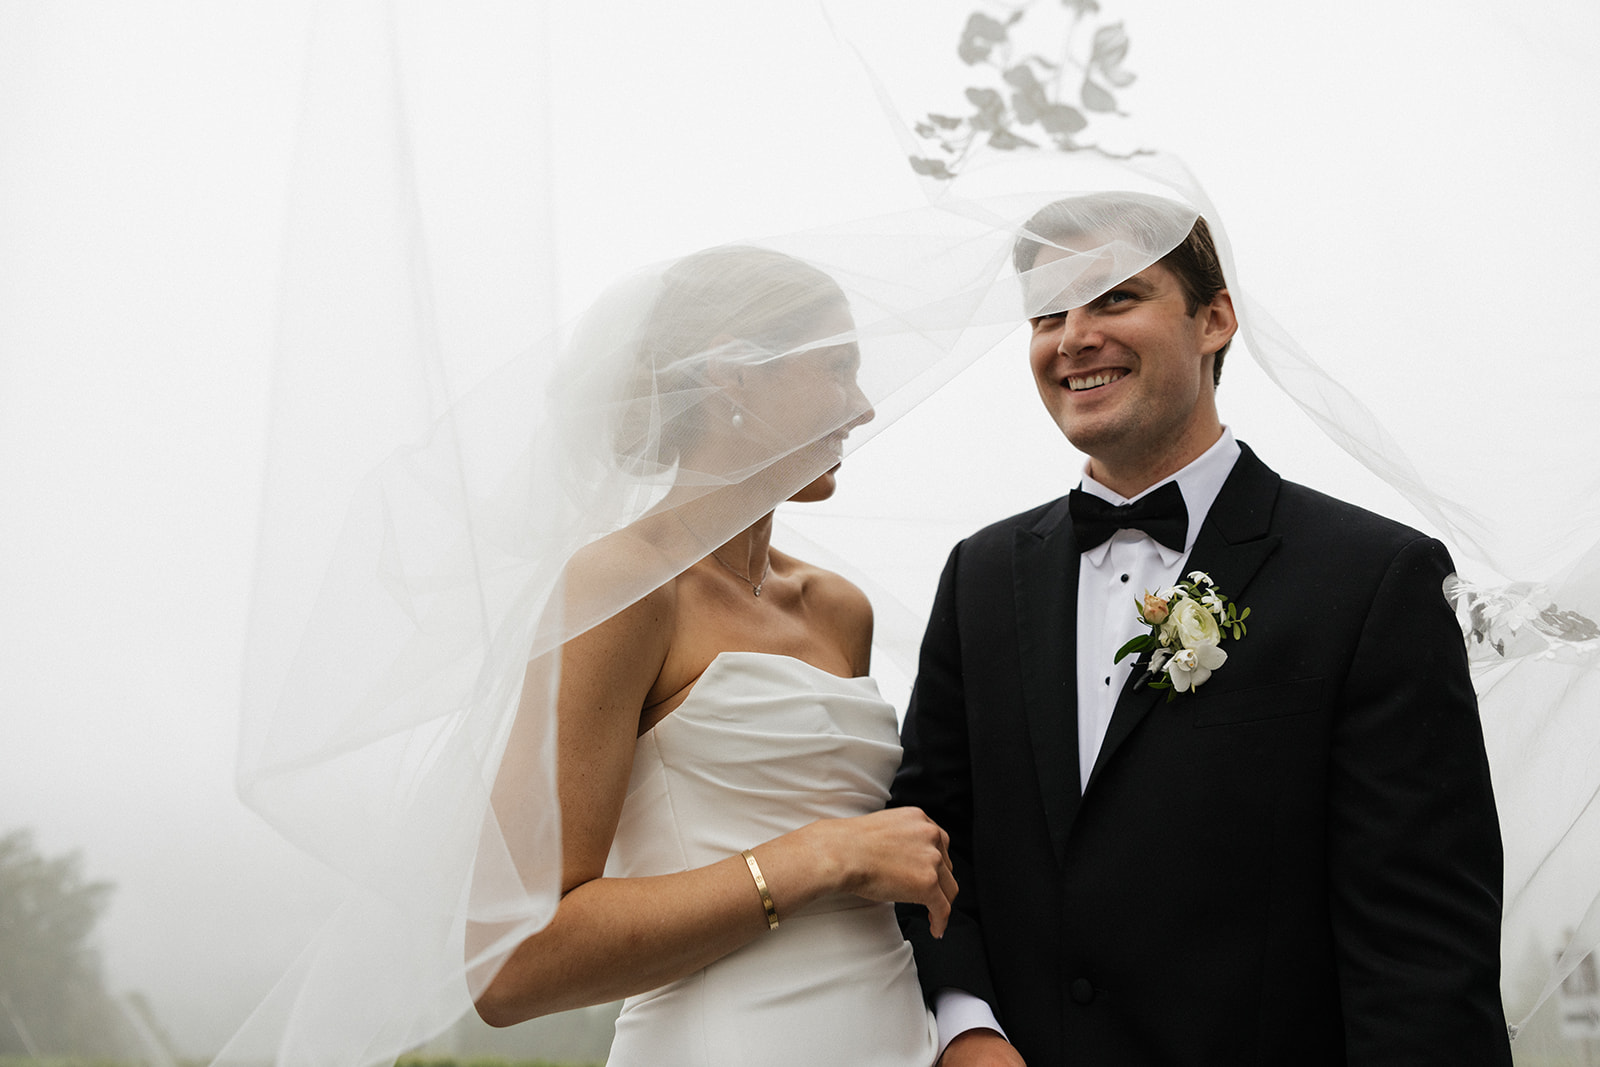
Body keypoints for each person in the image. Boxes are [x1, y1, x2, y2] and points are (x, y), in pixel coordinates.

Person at [891, 192, 1514, 1065]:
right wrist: (965, 1025)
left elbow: (1422, 957)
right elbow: (927, 838)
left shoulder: (1375, 580)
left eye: (1114, 298)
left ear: (1214, 319)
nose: (1073, 335)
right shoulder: (982, 576)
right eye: (1047, 313)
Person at [468, 245, 954, 1066]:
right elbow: (509, 964)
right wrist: (820, 855)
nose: (864, 406)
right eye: (838, 368)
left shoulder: (839, 610)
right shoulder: (619, 590)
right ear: (734, 378)